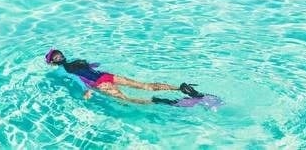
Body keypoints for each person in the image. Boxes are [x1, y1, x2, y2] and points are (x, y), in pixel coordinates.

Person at [45, 48, 205, 105]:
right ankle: (181, 88)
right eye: (57, 56)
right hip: (107, 76)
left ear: (53, 63)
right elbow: (89, 67)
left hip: (99, 83)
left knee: (127, 100)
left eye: (57, 56)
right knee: (145, 85)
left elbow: (80, 77)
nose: (58, 57)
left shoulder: (65, 68)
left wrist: (88, 90)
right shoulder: (77, 61)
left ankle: (166, 102)